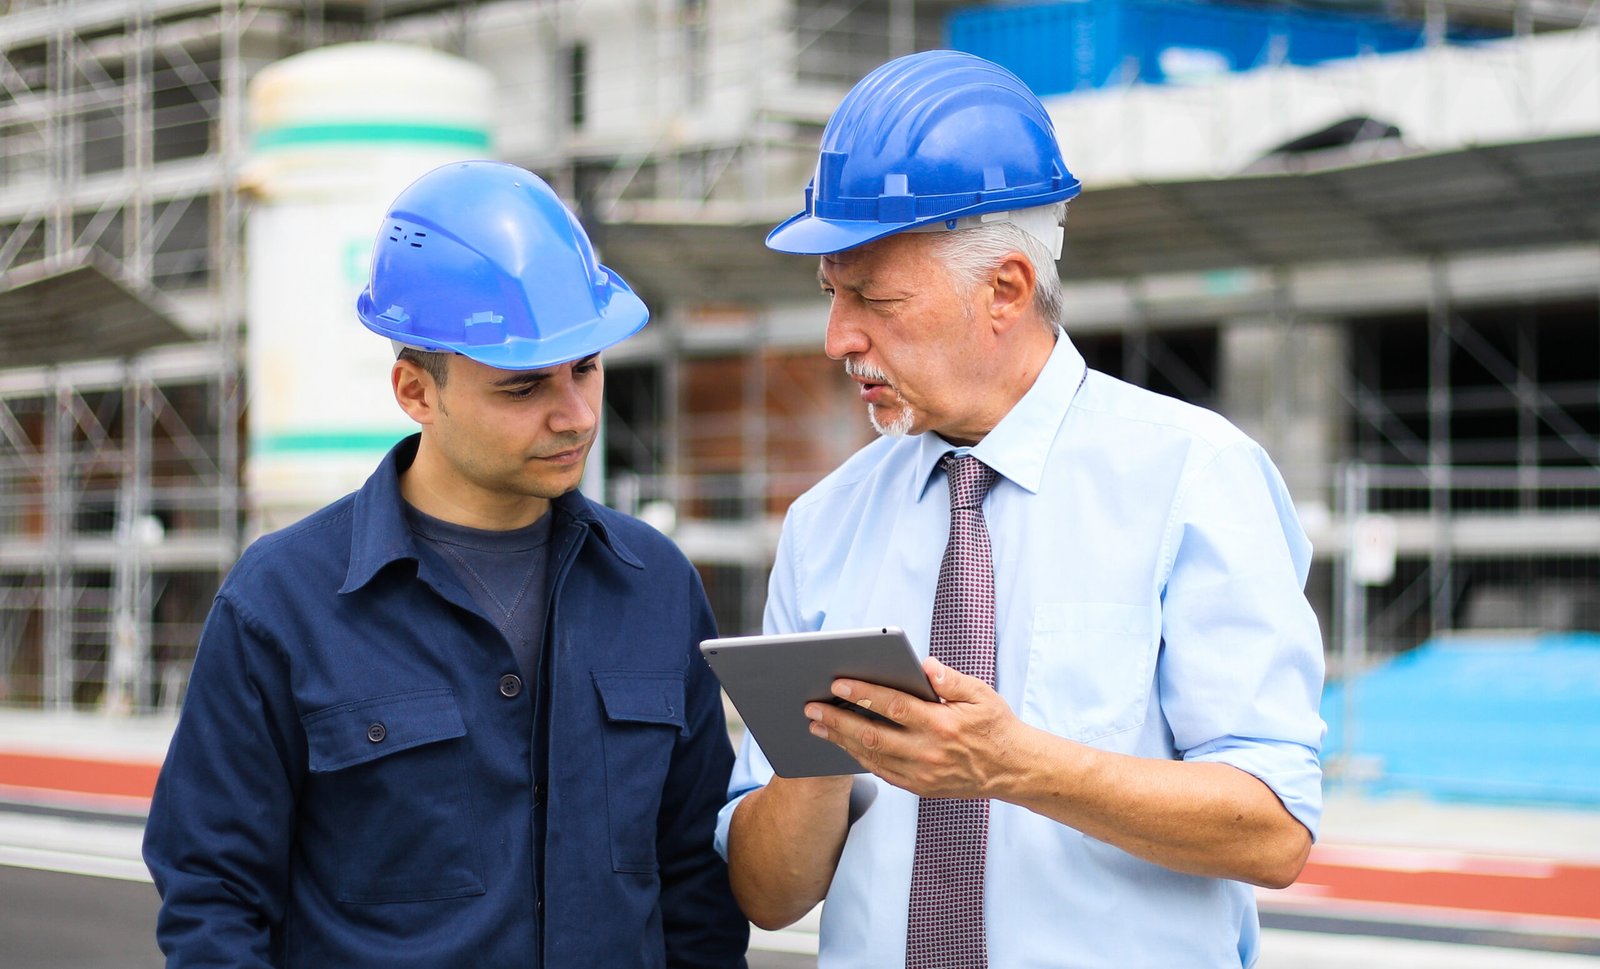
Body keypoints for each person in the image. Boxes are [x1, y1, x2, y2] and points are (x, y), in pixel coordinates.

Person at [716, 51, 1325, 968]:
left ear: (1004, 289)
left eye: (874, 300)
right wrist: (820, 762)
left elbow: (1273, 829)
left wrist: (1012, 764)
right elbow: (768, 896)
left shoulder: (1195, 476)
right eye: (832, 295)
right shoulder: (825, 523)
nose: (840, 337)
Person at [144, 160, 748, 968]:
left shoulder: (657, 586)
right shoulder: (282, 603)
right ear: (415, 391)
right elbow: (215, 900)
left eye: (587, 367)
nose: (573, 414)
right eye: (523, 386)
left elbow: (696, 893)